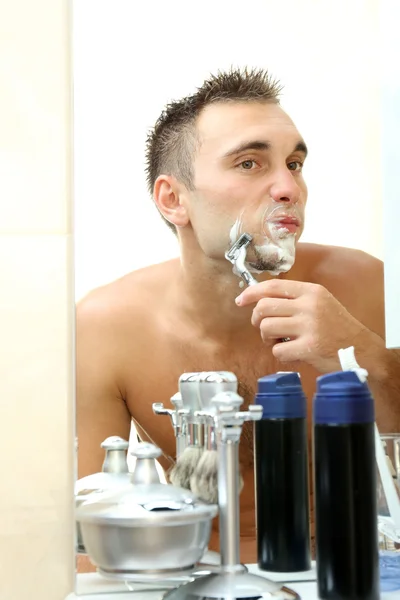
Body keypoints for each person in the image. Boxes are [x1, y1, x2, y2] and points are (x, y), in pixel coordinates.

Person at [76, 67, 400, 569]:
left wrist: (367, 356)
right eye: (250, 163)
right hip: (194, 579)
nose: (288, 186)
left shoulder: (371, 288)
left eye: (294, 163)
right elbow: (88, 540)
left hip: (353, 573)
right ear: (173, 198)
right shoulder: (104, 329)